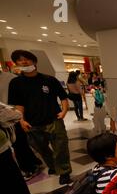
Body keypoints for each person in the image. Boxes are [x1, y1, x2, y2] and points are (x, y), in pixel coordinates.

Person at [8, 50, 72, 185]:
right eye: (20, 60)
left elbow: (63, 96)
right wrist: (21, 120)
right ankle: (54, 166)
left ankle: (64, 171)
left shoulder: (49, 80)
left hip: (54, 119)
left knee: (61, 147)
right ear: (16, 63)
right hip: (32, 123)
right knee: (40, 148)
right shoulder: (15, 83)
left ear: (34, 62)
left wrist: (64, 110)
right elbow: (19, 105)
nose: (24, 62)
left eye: (27, 59)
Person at [0, 102, 33, 194]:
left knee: (8, 178)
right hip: (2, 150)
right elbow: (15, 114)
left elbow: (16, 115)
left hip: (2, 149)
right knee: (10, 178)